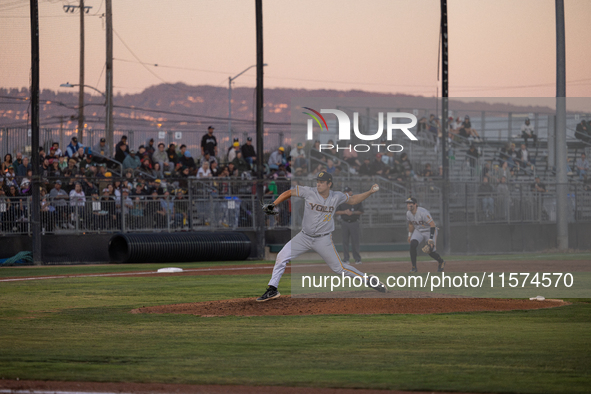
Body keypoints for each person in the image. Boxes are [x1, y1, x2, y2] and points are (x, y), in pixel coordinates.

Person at [256, 172, 385, 302]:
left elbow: (353, 200)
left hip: (323, 240)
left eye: (322, 182)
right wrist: (274, 203)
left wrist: (369, 192)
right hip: (304, 237)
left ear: (329, 184)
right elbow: (289, 192)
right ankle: (272, 289)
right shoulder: (309, 192)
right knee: (281, 257)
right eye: (318, 181)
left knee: (339, 268)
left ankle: (369, 280)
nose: (318, 184)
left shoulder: (336, 196)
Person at [406, 197, 445, 273]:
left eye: (410, 203)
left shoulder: (423, 212)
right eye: (407, 203)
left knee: (430, 250)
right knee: (413, 244)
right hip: (419, 230)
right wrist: (410, 235)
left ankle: (441, 261)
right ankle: (414, 268)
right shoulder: (408, 213)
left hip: (429, 230)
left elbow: (432, 225)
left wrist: (430, 239)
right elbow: (411, 224)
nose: (408, 205)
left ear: (415, 204)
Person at [335, 186, 364, 265]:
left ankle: (357, 259)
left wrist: (353, 213)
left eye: (347, 192)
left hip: (354, 222)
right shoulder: (341, 201)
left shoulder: (356, 200)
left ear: (351, 192)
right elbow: (336, 212)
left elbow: (361, 211)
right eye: (345, 192)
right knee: (345, 241)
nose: (346, 194)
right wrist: (344, 212)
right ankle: (346, 259)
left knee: (355, 241)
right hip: (345, 222)